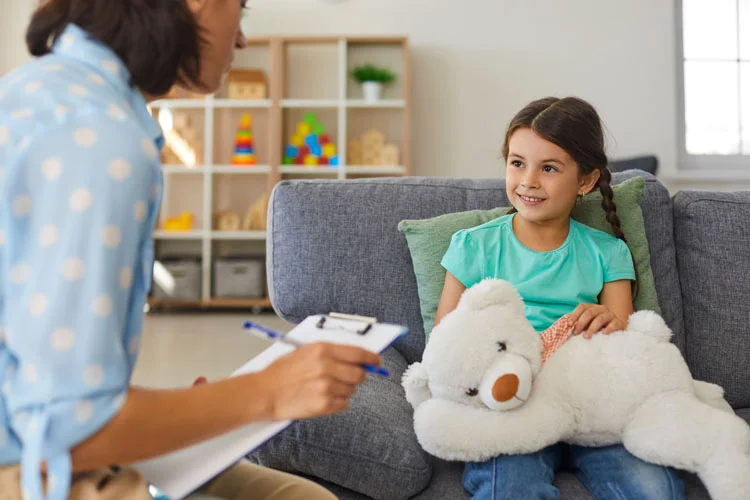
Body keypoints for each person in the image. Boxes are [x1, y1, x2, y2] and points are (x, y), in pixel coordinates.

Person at [0, 1, 382, 498]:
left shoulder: (33, 90)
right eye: (240, 9)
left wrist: (197, 409)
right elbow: (69, 431)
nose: (241, 39)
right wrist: (266, 393)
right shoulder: (105, 139)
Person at [435, 97, 685, 500]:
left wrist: (606, 320)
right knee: (509, 488)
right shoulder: (473, 246)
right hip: (513, 407)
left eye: (548, 168)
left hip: (592, 404)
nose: (528, 180)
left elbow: (622, 329)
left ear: (585, 181)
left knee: (653, 488)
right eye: (517, 163)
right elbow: (446, 338)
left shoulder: (608, 252)